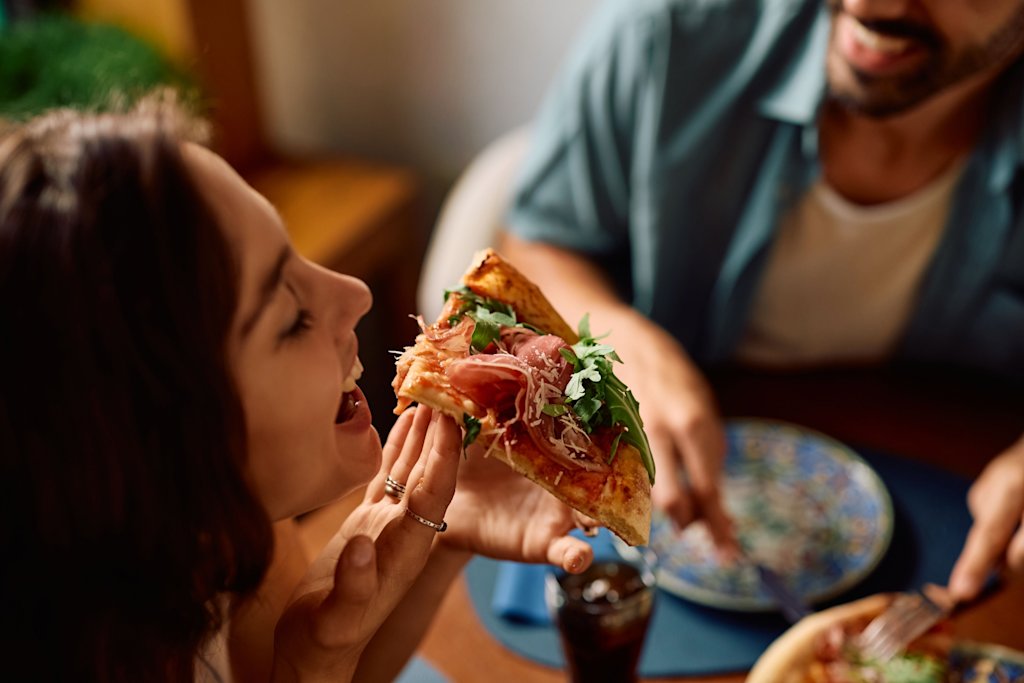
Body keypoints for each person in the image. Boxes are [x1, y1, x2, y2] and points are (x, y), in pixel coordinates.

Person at [0, 95, 598, 682]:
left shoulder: (231, 539)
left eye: (295, 252)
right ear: (158, 451)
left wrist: (433, 537)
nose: (355, 293)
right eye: (289, 316)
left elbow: (305, 660)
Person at [499, 0, 1024, 603]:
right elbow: (538, 243)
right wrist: (618, 338)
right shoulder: (666, 32)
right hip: (659, 522)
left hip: (964, 534)